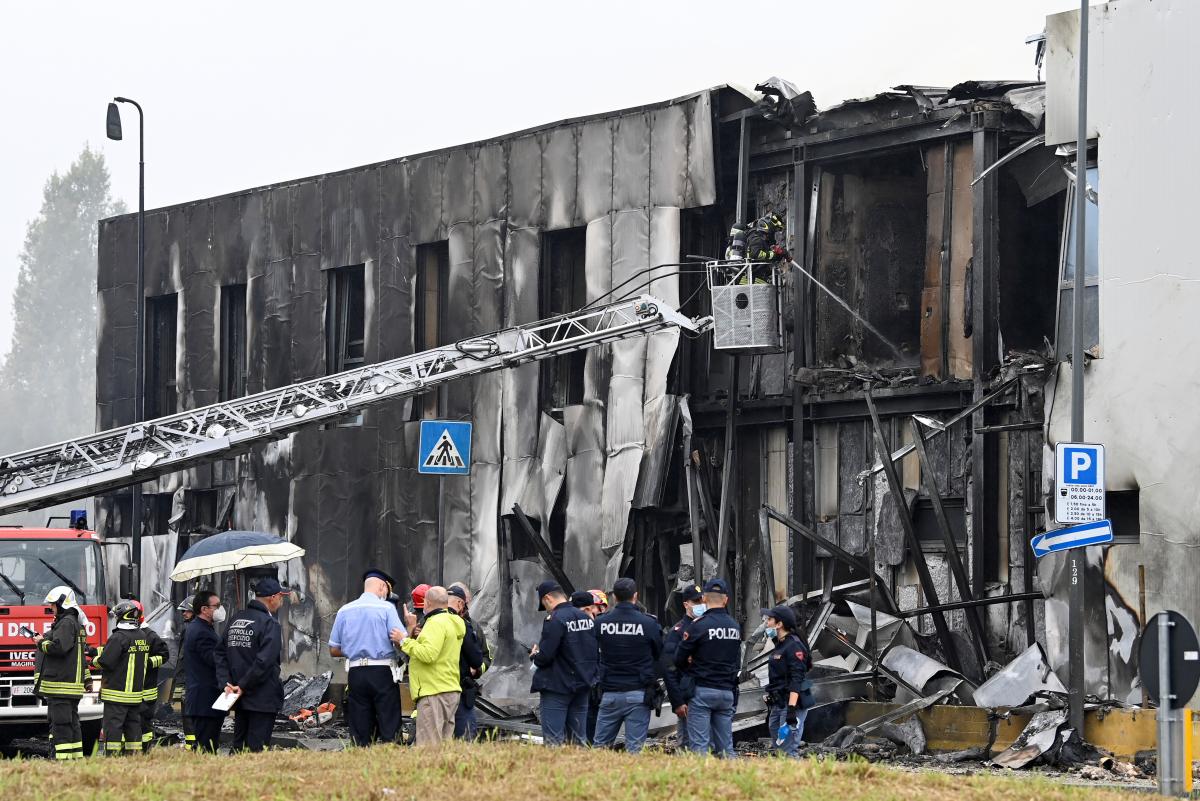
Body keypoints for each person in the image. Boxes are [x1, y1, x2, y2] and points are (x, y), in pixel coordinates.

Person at [328, 569, 407, 747]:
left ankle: (359, 760)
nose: (387, 595)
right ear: (381, 586)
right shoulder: (386, 608)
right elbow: (402, 642)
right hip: (382, 671)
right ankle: (392, 760)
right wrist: (409, 630)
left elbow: (333, 649)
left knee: (360, 725)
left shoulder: (344, 610)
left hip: (356, 673)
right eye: (387, 590)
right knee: (389, 723)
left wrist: (353, 648)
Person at [215, 577, 288, 753]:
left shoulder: (235, 620)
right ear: (273, 597)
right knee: (256, 749)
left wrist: (227, 684)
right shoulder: (270, 624)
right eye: (281, 596)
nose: (282, 601)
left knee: (239, 745)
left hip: (238, 698)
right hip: (262, 698)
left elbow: (219, 653)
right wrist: (243, 685)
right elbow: (264, 661)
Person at [592, 578, 662, 754]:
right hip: (638, 695)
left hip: (609, 694)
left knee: (599, 750)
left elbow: (591, 655)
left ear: (614, 597)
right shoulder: (649, 623)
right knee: (634, 752)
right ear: (635, 596)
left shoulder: (600, 622)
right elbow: (660, 656)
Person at [674, 577, 742, 757]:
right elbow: (737, 660)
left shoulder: (699, 626)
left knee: (700, 748)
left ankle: (702, 783)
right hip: (726, 693)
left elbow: (678, 659)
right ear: (726, 599)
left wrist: (690, 660)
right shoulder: (734, 627)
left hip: (702, 691)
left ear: (704, 598)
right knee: (726, 748)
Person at [530, 580, 598, 746]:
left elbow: (546, 656)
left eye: (544, 605)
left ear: (547, 598)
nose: (546, 609)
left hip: (557, 687)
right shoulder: (587, 619)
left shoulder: (555, 619)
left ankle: (555, 772)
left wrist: (535, 655)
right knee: (578, 740)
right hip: (582, 686)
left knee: (554, 740)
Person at [396, 586, 463, 745]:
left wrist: (403, 640)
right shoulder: (453, 622)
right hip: (449, 689)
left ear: (428, 603)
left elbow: (428, 654)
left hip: (433, 692)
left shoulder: (435, 623)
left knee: (428, 747)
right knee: (444, 746)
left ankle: (429, 771)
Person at [32, 586, 89, 760]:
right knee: (71, 724)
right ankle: (74, 759)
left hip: (61, 686)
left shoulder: (66, 623)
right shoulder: (74, 623)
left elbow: (59, 647)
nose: (51, 609)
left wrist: (41, 642)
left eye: (53, 606)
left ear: (62, 604)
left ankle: (63, 761)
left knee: (61, 725)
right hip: (68, 686)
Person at [94, 600, 151, 755]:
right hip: (135, 695)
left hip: (116, 694)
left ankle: (112, 758)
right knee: (133, 726)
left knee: (113, 727)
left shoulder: (118, 637)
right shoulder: (142, 635)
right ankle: (133, 757)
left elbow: (106, 662)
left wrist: (94, 659)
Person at [761, 605, 813, 757]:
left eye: (769, 619)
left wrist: (791, 709)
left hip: (791, 704)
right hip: (778, 703)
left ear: (779, 624)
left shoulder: (794, 645)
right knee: (779, 747)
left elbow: (796, 679)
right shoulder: (781, 644)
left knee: (788, 750)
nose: (766, 623)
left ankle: (795, 780)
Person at [183, 589, 226, 753]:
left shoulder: (202, 628)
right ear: (204, 609)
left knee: (208, 744)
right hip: (206, 700)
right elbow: (214, 660)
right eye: (217, 606)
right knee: (207, 747)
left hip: (204, 699)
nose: (220, 609)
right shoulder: (201, 632)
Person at [662, 583, 703, 751]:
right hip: (688, 697)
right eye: (696, 602)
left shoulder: (707, 626)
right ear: (686, 604)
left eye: (702, 601)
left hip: (706, 692)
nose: (700, 605)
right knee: (687, 746)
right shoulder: (678, 631)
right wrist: (677, 701)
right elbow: (669, 669)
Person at [447, 583, 490, 740]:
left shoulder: (474, 627)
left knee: (465, 739)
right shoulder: (437, 623)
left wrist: (477, 670)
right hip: (442, 690)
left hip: (464, 692)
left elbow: (486, 657)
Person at [133, 600, 170, 751]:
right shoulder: (127, 634)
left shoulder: (151, 636)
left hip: (147, 690)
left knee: (144, 722)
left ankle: (145, 750)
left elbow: (164, 656)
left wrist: (147, 662)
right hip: (132, 690)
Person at [174, 594, 197, 750]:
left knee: (187, 714)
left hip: (187, 680)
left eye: (186, 611)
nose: (184, 614)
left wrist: (179, 683)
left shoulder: (189, 630)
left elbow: (182, 659)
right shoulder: (202, 628)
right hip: (195, 680)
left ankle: (191, 746)